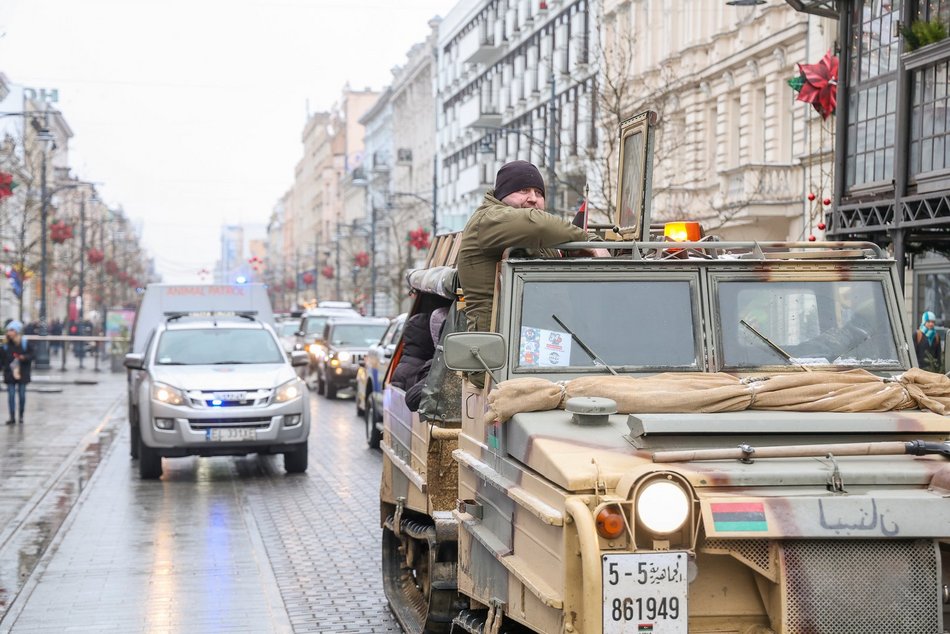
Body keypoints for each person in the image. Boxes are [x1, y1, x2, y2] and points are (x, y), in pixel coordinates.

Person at [457, 160, 595, 333]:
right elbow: (538, 224)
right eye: (523, 190)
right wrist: (588, 241)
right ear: (502, 194)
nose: (533, 199)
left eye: (538, 192)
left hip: (537, 343)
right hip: (497, 348)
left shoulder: (532, 232)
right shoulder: (488, 219)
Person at [0, 320, 34, 424]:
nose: (9, 332)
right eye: (8, 330)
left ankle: (21, 416)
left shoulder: (24, 343)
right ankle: (12, 417)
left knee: (22, 395)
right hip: (9, 373)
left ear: (17, 331)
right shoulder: (5, 345)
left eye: (11, 330)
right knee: (11, 395)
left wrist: (24, 357)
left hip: (22, 373)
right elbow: (1, 359)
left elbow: (32, 355)